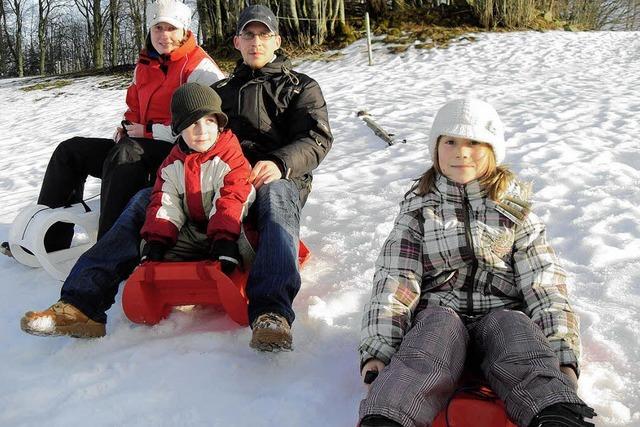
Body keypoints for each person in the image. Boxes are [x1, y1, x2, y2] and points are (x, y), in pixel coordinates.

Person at [20, 5, 333, 352]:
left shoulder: (300, 87)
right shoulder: (224, 90)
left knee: (275, 197)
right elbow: (192, 134)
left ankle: (271, 312)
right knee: (145, 199)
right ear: (237, 42)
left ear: (276, 40)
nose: (255, 42)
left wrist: (279, 162)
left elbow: (316, 138)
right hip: (217, 176)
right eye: (248, 34)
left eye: (263, 35)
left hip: (274, 177)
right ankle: (81, 304)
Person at [357, 99, 597, 427]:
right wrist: (379, 351)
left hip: (501, 321)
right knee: (429, 343)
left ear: (493, 150)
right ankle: (389, 417)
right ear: (436, 148)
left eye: (474, 143)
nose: (461, 152)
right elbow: (396, 280)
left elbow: (543, 283)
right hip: (442, 318)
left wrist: (562, 354)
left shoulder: (514, 212)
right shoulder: (419, 210)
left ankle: (554, 413)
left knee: (515, 331)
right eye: (450, 142)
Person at [1, 0, 224, 257]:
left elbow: (209, 128)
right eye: (157, 28)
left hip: (180, 155)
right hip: (139, 143)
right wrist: (126, 126)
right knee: (71, 150)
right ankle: (50, 242)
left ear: (184, 30)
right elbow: (134, 106)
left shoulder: (200, 69)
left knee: (125, 154)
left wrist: (150, 131)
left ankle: (107, 252)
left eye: (171, 28)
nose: (163, 35)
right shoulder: (145, 64)